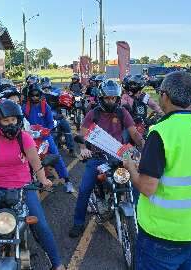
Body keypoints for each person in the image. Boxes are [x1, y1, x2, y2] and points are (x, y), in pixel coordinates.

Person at [123, 71, 191, 270]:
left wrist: (130, 167)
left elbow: (146, 187)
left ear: (165, 95)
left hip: (163, 235)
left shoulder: (161, 132)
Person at [0, 99, 65, 270]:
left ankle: (57, 264)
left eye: (13, 120)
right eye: (6, 121)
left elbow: (35, 161)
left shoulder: (25, 138)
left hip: (23, 189)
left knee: (42, 226)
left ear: (18, 120)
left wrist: (43, 180)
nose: (11, 124)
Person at [69, 80, 145, 238]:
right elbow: (83, 135)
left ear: (117, 98)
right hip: (98, 157)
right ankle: (78, 223)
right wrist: (83, 149)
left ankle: (140, 218)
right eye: (107, 98)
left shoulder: (122, 112)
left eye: (113, 98)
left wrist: (144, 148)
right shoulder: (93, 113)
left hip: (121, 157)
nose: (110, 101)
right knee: (84, 190)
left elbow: (134, 134)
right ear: (101, 98)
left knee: (136, 186)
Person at [23, 83, 76, 193]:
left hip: (45, 137)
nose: (35, 98)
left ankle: (67, 180)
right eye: (32, 95)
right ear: (29, 96)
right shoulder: (24, 108)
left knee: (56, 156)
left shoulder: (45, 106)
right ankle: (29, 182)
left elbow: (50, 122)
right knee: (26, 160)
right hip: (30, 138)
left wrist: (46, 130)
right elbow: (22, 123)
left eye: (37, 95)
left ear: (40, 95)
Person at [41, 77, 75, 155]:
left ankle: (71, 149)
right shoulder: (39, 93)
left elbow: (60, 93)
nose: (45, 85)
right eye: (44, 83)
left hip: (57, 112)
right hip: (46, 115)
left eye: (47, 83)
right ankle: (53, 152)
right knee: (52, 133)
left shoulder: (55, 89)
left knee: (67, 127)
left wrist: (51, 93)